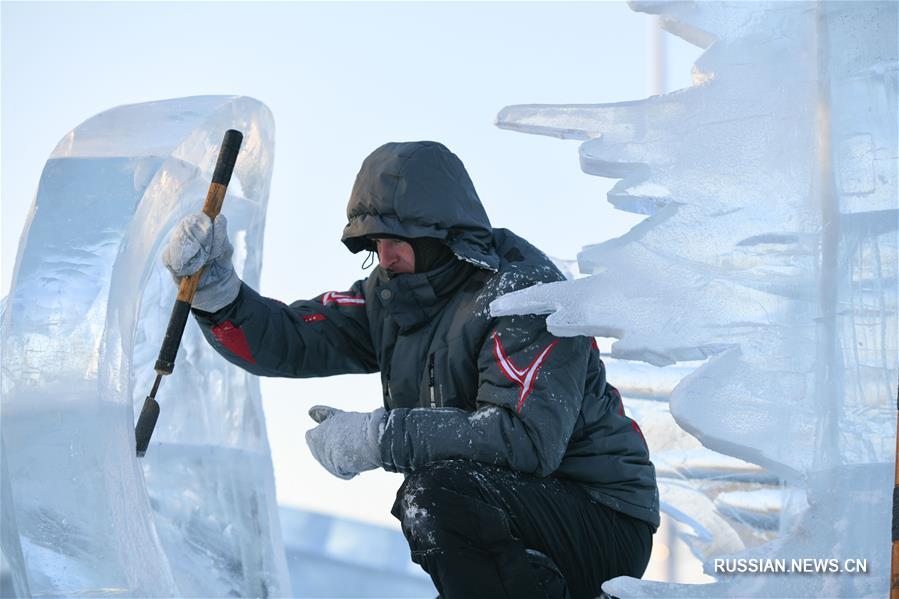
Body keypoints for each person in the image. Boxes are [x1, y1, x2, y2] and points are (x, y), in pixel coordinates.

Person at [163, 140, 659, 599]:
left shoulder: (521, 294)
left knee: (436, 495)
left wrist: (381, 436)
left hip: (603, 515)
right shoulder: (394, 297)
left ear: (444, 232)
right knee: (438, 496)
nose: (385, 256)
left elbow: (525, 441)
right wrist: (220, 297)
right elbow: (296, 338)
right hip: (515, 506)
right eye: (374, 241)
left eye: (398, 239)